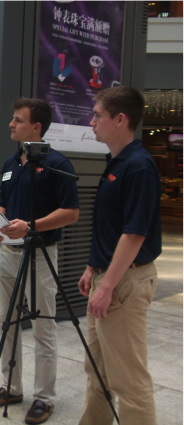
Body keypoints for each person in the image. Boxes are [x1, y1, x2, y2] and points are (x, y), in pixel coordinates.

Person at [0, 98, 79, 425]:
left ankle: (44, 397)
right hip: (8, 255)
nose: (11, 124)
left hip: (40, 255)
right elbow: (3, 204)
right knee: (5, 323)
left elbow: (71, 212)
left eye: (18, 120)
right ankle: (11, 387)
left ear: (36, 127)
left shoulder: (57, 164)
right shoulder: (11, 163)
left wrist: (32, 226)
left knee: (43, 326)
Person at [77, 86, 161, 425]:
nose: (92, 121)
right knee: (97, 371)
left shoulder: (138, 167)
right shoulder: (117, 162)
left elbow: (135, 233)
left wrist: (108, 285)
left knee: (129, 380)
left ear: (120, 119)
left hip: (124, 282)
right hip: (107, 275)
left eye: (98, 115)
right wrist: (92, 267)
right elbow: (112, 227)